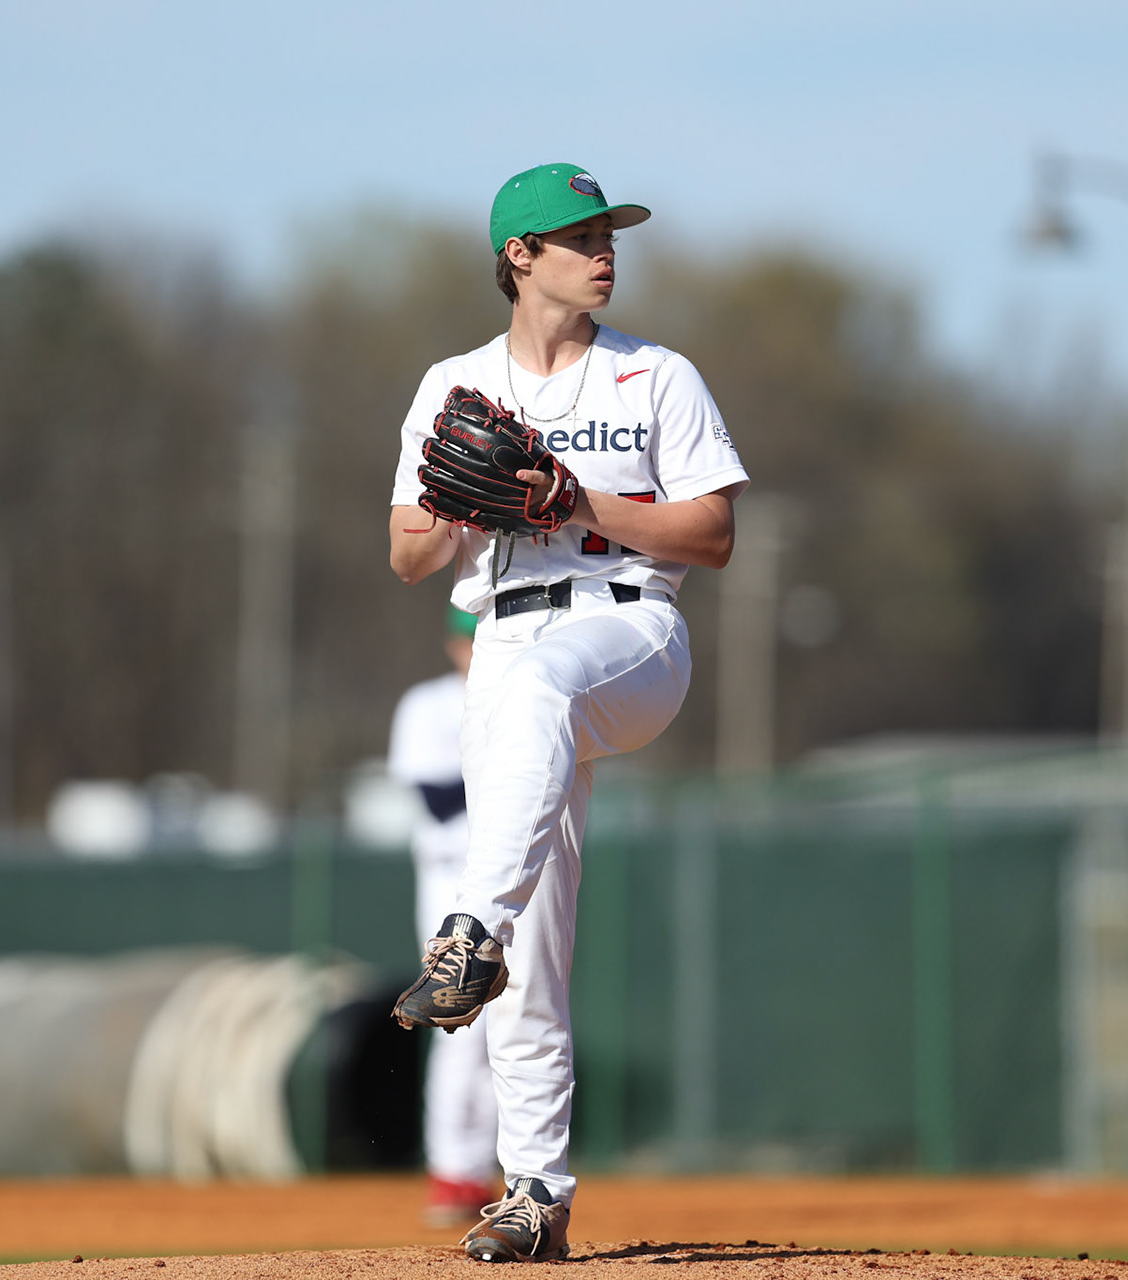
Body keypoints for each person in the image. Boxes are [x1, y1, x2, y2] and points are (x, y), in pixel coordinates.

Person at [385, 163, 749, 1263]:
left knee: (547, 694)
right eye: (580, 234)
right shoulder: (457, 383)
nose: (606, 249)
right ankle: (535, 1191)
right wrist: (454, 504)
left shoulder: (655, 377)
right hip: (500, 634)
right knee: (535, 946)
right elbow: (407, 554)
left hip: (628, 630)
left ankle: (467, 930)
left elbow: (713, 535)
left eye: (610, 232)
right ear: (518, 257)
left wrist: (572, 499)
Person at [386, 605, 498, 1227]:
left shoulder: (523, 693)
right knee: (461, 1022)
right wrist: (509, 766)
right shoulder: (428, 704)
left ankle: (486, 1168)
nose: (475, 649)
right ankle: (452, 1169)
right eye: (469, 640)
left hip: (511, 879)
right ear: (454, 645)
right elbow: (434, 795)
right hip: (450, 881)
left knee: (514, 1020)